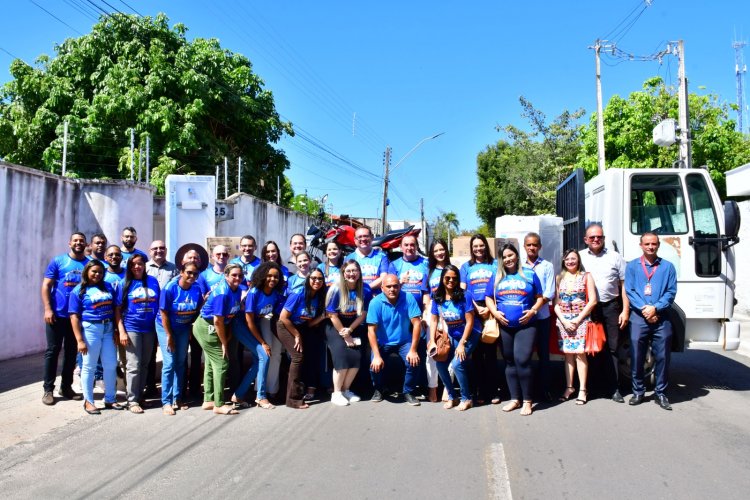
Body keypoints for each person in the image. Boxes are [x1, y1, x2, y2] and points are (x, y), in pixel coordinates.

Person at [486, 243, 545, 416]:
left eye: (510, 255)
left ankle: (527, 400)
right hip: (505, 326)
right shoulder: (497, 276)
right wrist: (495, 312)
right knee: (509, 361)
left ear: (517, 256)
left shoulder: (529, 274)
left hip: (526, 325)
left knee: (522, 360)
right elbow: (489, 297)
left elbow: (540, 297)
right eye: (504, 257)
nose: (508, 259)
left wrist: (533, 310)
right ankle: (515, 398)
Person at [625, 232, 677, 411]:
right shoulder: (632, 266)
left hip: (661, 317)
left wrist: (655, 308)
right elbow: (630, 291)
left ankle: (661, 393)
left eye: (654, 244)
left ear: (658, 245)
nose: (650, 247)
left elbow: (671, 292)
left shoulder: (668, 267)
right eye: (647, 244)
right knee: (637, 356)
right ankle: (638, 391)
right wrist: (646, 310)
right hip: (639, 318)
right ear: (641, 245)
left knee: (663, 357)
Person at [580, 223, 630, 403]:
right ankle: (591, 388)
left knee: (612, 348)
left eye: (599, 237)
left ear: (604, 239)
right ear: (586, 240)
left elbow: (625, 286)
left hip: (611, 307)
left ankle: (613, 388)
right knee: (591, 349)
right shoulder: (579, 257)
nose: (595, 240)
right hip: (588, 309)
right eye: (592, 237)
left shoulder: (615, 257)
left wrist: (625, 310)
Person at [68, 260, 123, 414]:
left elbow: (115, 308)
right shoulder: (79, 290)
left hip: (108, 328)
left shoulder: (108, 287)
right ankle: (89, 401)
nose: (97, 274)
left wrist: (117, 331)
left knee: (111, 364)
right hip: (91, 329)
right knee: (89, 366)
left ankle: (110, 399)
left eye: (100, 272)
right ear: (87, 272)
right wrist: (79, 340)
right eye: (94, 271)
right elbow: (74, 317)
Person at [41, 232, 88, 405]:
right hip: (57, 315)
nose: (78, 243)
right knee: (52, 352)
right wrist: (48, 309)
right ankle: (48, 390)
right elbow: (46, 285)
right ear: (69, 243)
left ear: (85, 244)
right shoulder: (58, 261)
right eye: (75, 240)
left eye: (81, 241)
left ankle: (66, 387)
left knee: (71, 353)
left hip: (77, 317)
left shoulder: (89, 264)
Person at [193, 263, 244, 415]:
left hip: (216, 326)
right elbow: (218, 321)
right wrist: (224, 343)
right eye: (234, 275)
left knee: (211, 363)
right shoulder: (223, 292)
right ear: (226, 276)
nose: (237, 278)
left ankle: (208, 400)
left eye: (240, 275)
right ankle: (219, 404)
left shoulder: (236, 290)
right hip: (207, 326)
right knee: (221, 363)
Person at [428, 265, 480, 411]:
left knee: (457, 364)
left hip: (470, 334)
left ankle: (466, 398)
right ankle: (452, 396)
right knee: (440, 364)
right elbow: (433, 320)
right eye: (447, 278)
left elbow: (470, 321)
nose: (451, 281)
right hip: (452, 334)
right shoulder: (437, 296)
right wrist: (432, 340)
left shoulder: (465, 295)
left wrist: (462, 344)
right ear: (442, 279)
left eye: (454, 278)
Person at [236, 261, 285, 410]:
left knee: (260, 360)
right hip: (241, 326)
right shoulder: (254, 292)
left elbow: (278, 314)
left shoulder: (275, 294)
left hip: (254, 326)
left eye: (276, 277)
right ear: (262, 276)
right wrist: (263, 342)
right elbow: (249, 320)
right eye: (269, 276)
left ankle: (238, 394)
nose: (272, 279)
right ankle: (261, 396)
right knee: (264, 355)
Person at [366, 274, 422, 405]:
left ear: (399, 286)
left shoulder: (408, 298)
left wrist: (413, 350)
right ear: (382, 288)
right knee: (374, 365)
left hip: (404, 341)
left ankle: (408, 391)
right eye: (388, 286)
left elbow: (417, 323)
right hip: (382, 343)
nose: (392, 289)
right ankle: (379, 389)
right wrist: (376, 356)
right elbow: (371, 330)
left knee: (413, 362)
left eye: (395, 286)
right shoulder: (375, 303)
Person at [115, 254, 160, 413]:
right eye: (133, 264)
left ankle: (140, 396)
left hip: (150, 329)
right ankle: (132, 400)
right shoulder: (124, 284)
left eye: (140, 264)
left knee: (145, 364)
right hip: (132, 328)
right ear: (129, 266)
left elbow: (159, 305)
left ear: (144, 265)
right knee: (133, 365)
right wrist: (121, 331)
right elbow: (118, 309)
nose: (137, 267)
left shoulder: (153, 282)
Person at [156, 263, 203, 415]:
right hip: (166, 328)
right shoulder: (170, 288)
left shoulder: (196, 288)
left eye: (195, 274)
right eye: (189, 272)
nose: (192, 276)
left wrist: (191, 328)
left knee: (181, 362)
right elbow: (163, 314)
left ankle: (178, 397)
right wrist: (169, 335)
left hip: (183, 328)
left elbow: (198, 310)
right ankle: (166, 402)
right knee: (169, 363)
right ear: (181, 272)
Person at [277, 269, 328, 408]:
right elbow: (283, 318)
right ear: (308, 279)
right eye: (313, 278)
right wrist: (297, 335)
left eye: (320, 279)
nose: (316, 281)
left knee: (304, 358)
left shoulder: (318, 296)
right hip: (284, 325)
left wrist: (323, 316)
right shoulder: (298, 293)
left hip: (300, 327)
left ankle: (291, 394)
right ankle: (293, 400)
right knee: (297, 357)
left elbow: (309, 322)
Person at [326, 260, 372, 406]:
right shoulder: (335, 289)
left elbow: (363, 314)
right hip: (335, 326)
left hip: (353, 326)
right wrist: (344, 334)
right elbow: (331, 315)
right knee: (342, 356)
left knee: (356, 356)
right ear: (343, 274)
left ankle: (346, 390)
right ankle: (336, 393)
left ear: (359, 273)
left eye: (355, 271)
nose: (352, 274)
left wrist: (350, 330)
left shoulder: (366, 289)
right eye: (349, 271)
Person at [460, 234, 499, 405]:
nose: (478, 249)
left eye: (481, 245)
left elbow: (501, 287)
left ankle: (493, 390)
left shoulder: (496, 264)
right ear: (471, 248)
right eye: (475, 246)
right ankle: (480, 391)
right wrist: (476, 308)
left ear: (486, 246)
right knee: (476, 354)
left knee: (490, 354)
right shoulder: (465, 267)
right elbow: (463, 291)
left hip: (492, 309)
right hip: (473, 310)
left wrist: (491, 309)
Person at [554, 249, 597, 405]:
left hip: (581, 320)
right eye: (567, 259)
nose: (570, 261)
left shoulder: (586, 276)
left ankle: (583, 389)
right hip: (564, 321)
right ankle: (569, 387)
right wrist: (564, 321)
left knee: (580, 354)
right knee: (568, 355)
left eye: (573, 259)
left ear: (578, 260)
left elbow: (592, 300)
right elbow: (556, 303)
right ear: (563, 261)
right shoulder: (559, 278)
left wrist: (578, 319)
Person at [391, 235, 431, 400]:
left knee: (420, 350)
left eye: (412, 245)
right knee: (404, 350)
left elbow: (427, 291)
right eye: (406, 245)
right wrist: (400, 281)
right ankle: (402, 385)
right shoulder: (395, 265)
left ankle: (420, 385)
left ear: (416, 246)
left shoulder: (425, 264)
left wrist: (426, 312)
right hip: (400, 314)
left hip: (419, 315)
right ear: (401, 247)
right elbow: (388, 289)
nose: (409, 248)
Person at [173, 243, 210, 401]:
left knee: (196, 357)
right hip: (179, 324)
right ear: (183, 262)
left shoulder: (203, 277)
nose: (194, 260)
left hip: (197, 323)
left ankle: (194, 390)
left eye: (196, 258)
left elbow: (203, 301)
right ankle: (178, 392)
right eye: (190, 257)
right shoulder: (177, 279)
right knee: (179, 359)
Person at [522, 233, 556, 401]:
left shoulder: (547, 266)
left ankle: (544, 390)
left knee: (543, 355)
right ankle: (526, 392)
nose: (532, 248)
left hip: (541, 317)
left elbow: (549, 293)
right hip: (523, 319)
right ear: (524, 246)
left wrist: (533, 309)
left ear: (540, 247)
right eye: (529, 245)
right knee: (524, 356)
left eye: (535, 245)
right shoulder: (518, 266)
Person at [144, 240, 179, 397]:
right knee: (149, 353)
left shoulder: (173, 269)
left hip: (166, 316)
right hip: (147, 315)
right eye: (155, 248)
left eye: (162, 248)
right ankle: (150, 386)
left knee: (167, 351)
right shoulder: (143, 268)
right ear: (150, 251)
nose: (159, 251)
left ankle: (170, 389)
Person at [422, 239, 451, 402]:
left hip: (449, 312)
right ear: (432, 254)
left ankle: (447, 387)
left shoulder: (452, 269)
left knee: (447, 350)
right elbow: (426, 293)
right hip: (432, 313)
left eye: (442, 250)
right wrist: (426, 310)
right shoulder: (430, 271)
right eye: (436, 251)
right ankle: (432, 388)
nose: (440, 253)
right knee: (431, 351)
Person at [348, 226, 392, 293]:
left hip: (376, 298)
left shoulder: (382, 256)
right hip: (356, 297)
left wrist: (366, 289)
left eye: (366, 236)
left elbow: (384, 278)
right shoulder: (349, 258)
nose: (363, 239)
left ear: (372, 237)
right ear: (355, 240)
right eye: (359, 237)